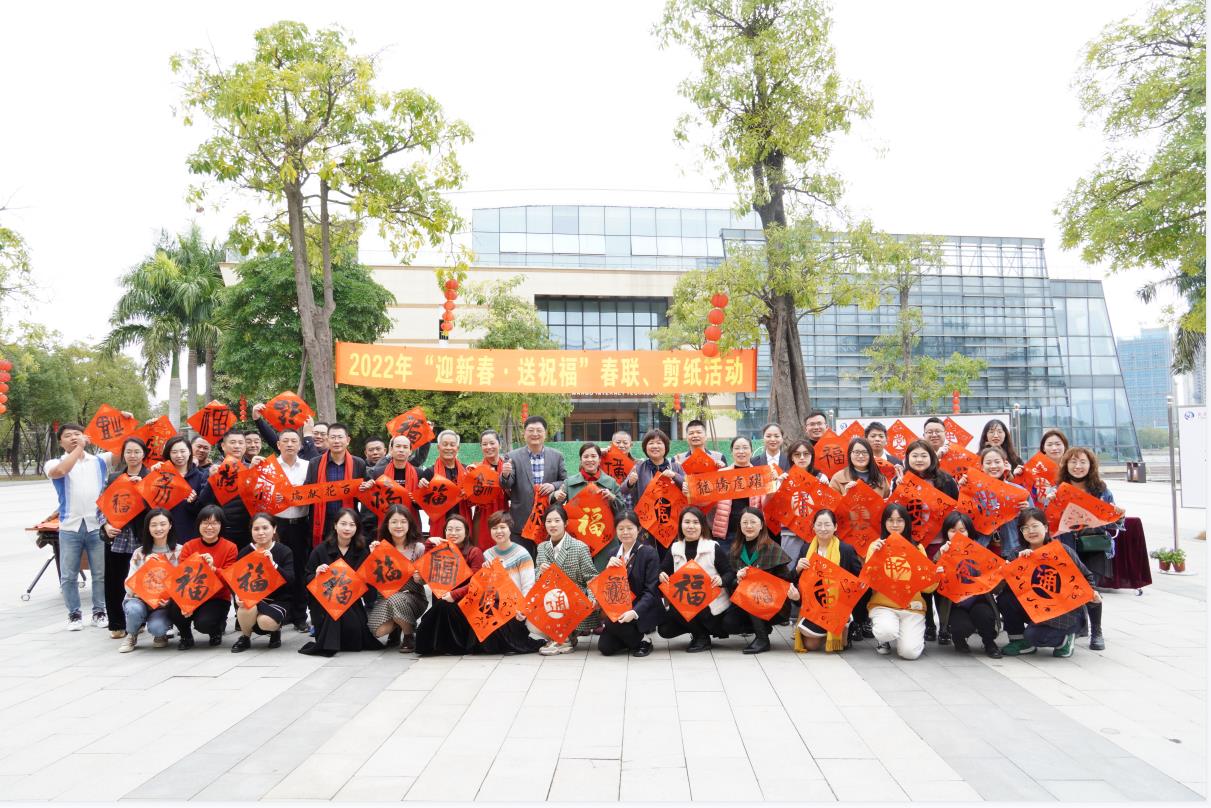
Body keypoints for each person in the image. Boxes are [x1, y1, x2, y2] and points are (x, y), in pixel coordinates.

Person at [999, 508, 1101, 658]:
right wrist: (1017, 565)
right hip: (1035, 607)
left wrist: (1092, 594)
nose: (1030, 531)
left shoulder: (1061, 550)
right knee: (1005, 599)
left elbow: (1087, 576)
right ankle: (1019, 641)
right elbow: (1006, 586)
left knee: (1033, 636)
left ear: (1046, 527)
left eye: (1035, 526)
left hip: (1063, 611)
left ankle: (1065, 639)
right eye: (1025, 528)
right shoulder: (1017, 553)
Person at [45, 422, 113, 632]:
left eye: (77, 434)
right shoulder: (54, 462)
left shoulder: (99, 460)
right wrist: (79, 448)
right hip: (69, 525)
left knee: (100, 573)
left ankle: (99, 611)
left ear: (86, 436)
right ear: (60, 442)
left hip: (97, 524)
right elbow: (61, 471)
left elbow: (124, 448)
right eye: (68, 435)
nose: (74, 437)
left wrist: (126, 420)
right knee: (68, 575)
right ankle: (74, 614)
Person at [1054, 446, 1119, 650]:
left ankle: (1096, 631)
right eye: (1073, 462)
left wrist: (1115, 515)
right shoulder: (1058, 489)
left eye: (1083, 462)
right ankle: (1079, 625)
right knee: (1071, 585)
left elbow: (1115, 522)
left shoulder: (1101, 490)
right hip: (1067, 544)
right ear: (1066, 465)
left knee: (1091, 588)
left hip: (1093, 545)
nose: (1078, 466)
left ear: (1091, 465)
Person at [900, 439, 959, 644]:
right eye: (914, 456)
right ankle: (928, 625)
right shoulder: (903, 480)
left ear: (932, 457)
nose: (919, 459)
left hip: (942, 542)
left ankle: (945, 626)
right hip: (917, 544)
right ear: (907, 458)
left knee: (943, 585)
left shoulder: (946, 480)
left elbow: (956, 510)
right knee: (923, 583)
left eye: (924, 455)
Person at [300, 508, 380, 657]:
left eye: (352, 524)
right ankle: (328, 640)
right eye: (343, 524)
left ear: (357, 528)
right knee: (334, 610)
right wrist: (316, 575)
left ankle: (333, 640)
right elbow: (307, 578)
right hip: (325, 605)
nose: (347, 528)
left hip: (351, 603)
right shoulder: (320, 550)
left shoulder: (362, 551)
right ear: (335, 525)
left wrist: (373, 560)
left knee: (353, 636)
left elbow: (369, 588)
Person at [657, 507, 733, 652]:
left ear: (702, 525)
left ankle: (701, 637)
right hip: (688, 602)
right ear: (680, 525)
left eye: (695, 522)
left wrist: (721, 580)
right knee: (664, 629)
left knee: (679, 608)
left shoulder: (712, 547)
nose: (691, 526)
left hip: (711, 604)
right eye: (687, 522)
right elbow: (662, 569)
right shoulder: (675, 548)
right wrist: (661, 574)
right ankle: (699, 632)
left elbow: (729, 573)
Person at [788, 508, 863, 653]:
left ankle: (845, 626)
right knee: (810, 645)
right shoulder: (806, 549)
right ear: (813, 527)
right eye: (819, 524)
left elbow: (859, 580)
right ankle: (827, 634)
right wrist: (797, 569)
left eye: (827, 524)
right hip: (815, 606)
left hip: (838, 606)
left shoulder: (845, 550)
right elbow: (794, 579)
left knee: (840, 643)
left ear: (835, 527)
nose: (823, 528)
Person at [867, 502, 935, 660]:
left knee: (910, 653)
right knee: (886, 631)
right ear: (884, 522)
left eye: (899, 520)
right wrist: (875, 556)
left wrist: (935, 574)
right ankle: (884, 639)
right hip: (884, 605)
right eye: (890, 520)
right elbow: (869, 580)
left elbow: (927, 587)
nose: (895, 524)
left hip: (911, 608)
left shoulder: (918, 548)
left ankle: (912, 635)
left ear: (907, 523)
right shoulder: (876, 546)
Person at [720, 507, 792, 654]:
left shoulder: (772, 548)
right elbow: (730, 581)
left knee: (753, 591)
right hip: (744, 602)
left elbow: (786, 579)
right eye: (745, 522)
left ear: (761, 525)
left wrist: (764, 581)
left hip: (773, 602)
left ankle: (762, 639)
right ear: (739, 526)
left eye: (753, 522)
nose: (749, 526)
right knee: (728, 623)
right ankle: (763, 627)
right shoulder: (735, 550)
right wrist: (737, 580)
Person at [99, 437, 150, 638]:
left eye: (137, 452)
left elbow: (158, 508)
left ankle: (140, 621)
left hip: (140, 537)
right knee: (115, 581)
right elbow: (101, 506)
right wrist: (106, 525)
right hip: (118, 536)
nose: (133, 456)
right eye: (129, 452)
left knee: (141, 581)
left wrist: (142, 488)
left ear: (144, 454)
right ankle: (117, 624)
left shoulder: (150, 477)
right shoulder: (114, 478)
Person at [532, 505, 599, 655]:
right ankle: (564, 638)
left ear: (566, 523)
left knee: (561, 598)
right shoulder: (542, 547)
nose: (553, 525)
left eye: (557, 520)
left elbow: (591, 576)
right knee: (530, 622)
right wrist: (541, 573)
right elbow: (536, 578)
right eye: (549, 521)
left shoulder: (579, 547)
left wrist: (592, 599)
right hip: (551, 600)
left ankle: (563, 638)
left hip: (575, 601)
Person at [415, 514, 484, 656]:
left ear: (466, 532)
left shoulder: (474, 552)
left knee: (442, 607)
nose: (453, 533)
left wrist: (454, 594)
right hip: (442, 601)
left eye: (458, 529)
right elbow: (426, 572)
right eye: (449, 529)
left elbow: (478, 582)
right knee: (433, 616)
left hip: (464, 604)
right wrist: (428, 545)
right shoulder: (440, 549)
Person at [936, 511, 1002, 658]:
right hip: (956, 605)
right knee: (960, 626)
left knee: (984, 615)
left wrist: (1000, 573)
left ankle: (989, 643)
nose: (957, 534)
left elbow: (997, 586)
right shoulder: (941, 552)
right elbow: (933, 585)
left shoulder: (980, 552)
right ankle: (958, 639)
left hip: (978, 600)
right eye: (952, 530)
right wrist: (941, 557)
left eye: (962, 530)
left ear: (969, 532)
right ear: (946, 533)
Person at [170, 505, 238, 649]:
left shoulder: (230, 547)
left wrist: (213, 569)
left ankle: (216, 630)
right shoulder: (189, 546)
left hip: (217, 597)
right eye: (205, 523)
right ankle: (186, 636)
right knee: (172, 606)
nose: (209, 527)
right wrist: (186, 602)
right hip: (191, 593)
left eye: (214, 523)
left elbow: (229, 580)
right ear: (198, 524)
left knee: (204, 624)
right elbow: (182, 577)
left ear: (221, 525)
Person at [597, 511, 664, 657]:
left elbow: (651, 591)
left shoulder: (649, 553)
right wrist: (607, 570)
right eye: (621, 529)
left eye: (629, 528)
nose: (625, 532)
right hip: (620, 608)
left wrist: (634, 612)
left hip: (642, 609)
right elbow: (606, 588)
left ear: (638, 529)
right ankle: (631, 639)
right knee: (605, 648)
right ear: (616, 531)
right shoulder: (612, 553)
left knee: (612, 623)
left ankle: (644, 640)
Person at [500, 416, 568, 558]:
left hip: (548, 520)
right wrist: (505, 475)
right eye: (531, 430)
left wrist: (553, 486)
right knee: (522, 561)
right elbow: (506, 484)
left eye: (539, 430)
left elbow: (565, 481)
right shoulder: (512, 456)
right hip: (521, 521)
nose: (535, 434)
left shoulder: (557, 456)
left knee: (547, 562)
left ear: (545, 433)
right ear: (524, 434)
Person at [366, 504, 429, 653]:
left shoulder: (418, 548)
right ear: (387, 525)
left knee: (396, 599)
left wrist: (420, 578)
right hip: (385, 598)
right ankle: (398, 625)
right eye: (394, 522)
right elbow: (373, 579)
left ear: (409, 524)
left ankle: (408, 634)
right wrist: (373, 556)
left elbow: (427, 580)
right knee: (377, 631)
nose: (398, 526)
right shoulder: (381, 547)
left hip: (413, 598)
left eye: (403, 521)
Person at [478, 512, 543, 655]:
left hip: (515, 609)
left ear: (510, 529)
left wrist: (522, 609)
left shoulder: (522, 554)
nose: (499, 531)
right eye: (494, 528)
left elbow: (528, 586)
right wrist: (485, 573)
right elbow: (484, 589)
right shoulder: (486, 555)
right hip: (493, 605)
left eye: (502, 527)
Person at [119, 509, 183, 653]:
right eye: (153, 525)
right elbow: (128, 587)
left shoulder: (180, 551)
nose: (158, 528)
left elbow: (183, 584)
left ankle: (161, 633)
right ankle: (131, 634)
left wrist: (171, 601)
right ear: (147, 527)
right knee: (134, 610)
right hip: (139, 600)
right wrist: (145, 568)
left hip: (163, 605)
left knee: (157, 628)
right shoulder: (139, 553)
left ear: (170, 525)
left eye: (162, 524)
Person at [270, 428, 314, 632]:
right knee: (276, 568)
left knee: (299, 569)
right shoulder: (269, 467)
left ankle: (299, 615)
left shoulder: (309, 466)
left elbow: (315, 493)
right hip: (277, 526)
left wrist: (299, 493)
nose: (289, 444)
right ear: (278, 444)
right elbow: (259, 495)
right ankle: (280, 612)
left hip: (301, 524)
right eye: (285, 441)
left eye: (293, 441)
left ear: (300, 445)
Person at [231, 513, 295, 653]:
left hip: (278, 600)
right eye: (256, 529)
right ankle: (245, 637)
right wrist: (237, 595)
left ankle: (275, 630)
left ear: (274, 529)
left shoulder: (284, 551)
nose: (261, 532)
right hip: (252, 598)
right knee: (245, 605)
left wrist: (273, 564)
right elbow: (235, 580)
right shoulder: (245, 552)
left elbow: (290, 581)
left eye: (265, 528)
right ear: (251, 531)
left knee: (265, 622)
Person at [559, 442, 625, 571]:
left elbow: (623, 511)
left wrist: (612, 498)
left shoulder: (611, 483)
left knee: (604, 573)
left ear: (600, 460)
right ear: (581, 460)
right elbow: (556, 508)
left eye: (593, 456)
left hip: (605, 540)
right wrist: (556, 496)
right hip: (578, 540)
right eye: (586, 456)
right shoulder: (569, 483)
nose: (590, 460)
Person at [303, 422, 367, 547]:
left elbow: (365, 494)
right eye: (333, 437)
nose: (336, 441)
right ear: (327, 440)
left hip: (349, 521)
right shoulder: (315, 463)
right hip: (323, 520)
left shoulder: (358, 463)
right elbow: (308, 491)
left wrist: (366, 487)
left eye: (340, 437)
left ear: (347, 440)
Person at [774, 439, 830, 572]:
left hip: (815, 532)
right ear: (791, 457)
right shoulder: (785, 478)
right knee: (790, 569)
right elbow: (776, 506)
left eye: (806, 454)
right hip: (791, 532)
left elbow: (827, 506)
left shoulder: (821, 477)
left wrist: (826, 488)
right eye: (797, 454)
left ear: (812, 456)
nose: (802, 457)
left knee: (815, 570)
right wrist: (778, 486)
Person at [196, 430, 253, 548]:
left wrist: (255, 474)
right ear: (223, 446)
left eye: (240, 443)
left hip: (248, 529)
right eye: (233, 442)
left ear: (245, 446)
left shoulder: (252, 469)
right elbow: (203, 502)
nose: (237, 446)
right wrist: (212, 480)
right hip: (221, 529)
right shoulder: (213, 470)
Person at [417, 430, 475, 538]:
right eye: (445, 444)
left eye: (452, 445)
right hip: (440, 525)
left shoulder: (467, 471)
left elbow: (475, 500)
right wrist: (421, 489)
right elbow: (419, 504)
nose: (449, 448)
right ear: (438, 447)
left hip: (463, 523)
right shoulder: (429, 473)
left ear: (457, 448)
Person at [708, 436, 762, 547]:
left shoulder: (759, 475)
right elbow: (709, 500)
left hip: (751, 531)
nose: (741, 451)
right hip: (727, 532)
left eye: (745, 448)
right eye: (737, 448)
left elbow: (765, 503)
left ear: (751, 451)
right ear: (731, 451)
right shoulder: (721, 474)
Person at [620, 428, 685, 512]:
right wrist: (630, 482)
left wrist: (675, 476)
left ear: (666, 447)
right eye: (651, 443)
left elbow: (688, 487)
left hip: (672, 515)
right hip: (646, 515)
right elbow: (622, 490)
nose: (655, 446)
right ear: (645, 447)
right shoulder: (638, 468)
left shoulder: (676, 467)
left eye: (659, 443)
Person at [468, 430, 511, 552]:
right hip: (483, 517)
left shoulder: (508, 467)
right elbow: (469, 499)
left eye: (492, 443)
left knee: (505, 551)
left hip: (504, 514)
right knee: (483, 551)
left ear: (499, 445)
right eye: (484, 444)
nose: (488, 447)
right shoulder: (475, 469)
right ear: (481, 447)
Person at [156, 435, 205, 543]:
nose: (179, 455)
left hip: (191, 534)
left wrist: (194, 501)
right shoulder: (161, 475)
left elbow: (204, 509)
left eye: (183, 451)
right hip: (164, 533)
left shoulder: (200, 477)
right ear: (168, 454)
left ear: (190, 452)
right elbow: (151, 505)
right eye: (174, 452)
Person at [250, 401, 322, 461]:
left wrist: (308, 434)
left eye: (322, 434)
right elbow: (273, 439)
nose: (318, 437)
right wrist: (258, 420)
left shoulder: (326, 457)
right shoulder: (295, 452)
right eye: (315, 433)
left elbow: (315, 464)